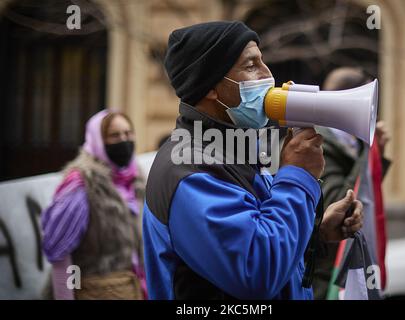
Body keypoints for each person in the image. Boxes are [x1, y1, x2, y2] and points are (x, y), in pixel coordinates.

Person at [143, 21, 364, 300]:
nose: (267, 75)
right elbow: (256, 272)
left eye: (263, 62)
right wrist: (297, 175)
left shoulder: (233, 152)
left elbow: (259, 235)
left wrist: (313, 233)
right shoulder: (189, 169)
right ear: (210, 86)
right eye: (251, 65)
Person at [41, 110, 146, 300]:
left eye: (128, 133)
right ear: (97, 140)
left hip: (133, 290)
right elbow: (61, 254)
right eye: (114, 135)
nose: (124, 140)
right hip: (94, 292)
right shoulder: (82, 184)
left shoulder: (135, 180)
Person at [313, 67, 391, 299]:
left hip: (340, 264)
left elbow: (364, 194)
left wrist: (374, 156)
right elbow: (341, 200)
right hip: (324, 275)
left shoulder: (349, 140)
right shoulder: (319, 143)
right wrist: (370, 151)